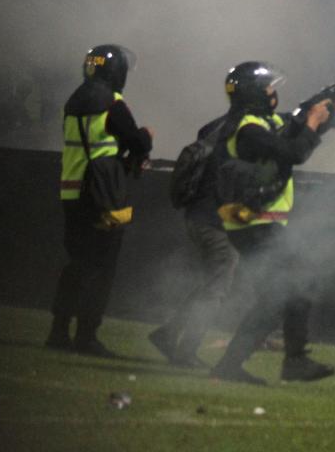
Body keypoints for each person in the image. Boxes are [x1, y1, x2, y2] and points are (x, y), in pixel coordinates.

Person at [208, 61, 335, 385]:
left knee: (279, 295)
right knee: (290, 287)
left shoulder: (259, 123)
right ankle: (292, 361)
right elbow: (295, 151)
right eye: (267, 88)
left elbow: (303, 126)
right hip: (255, 224)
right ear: (254, 92)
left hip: (258, 224)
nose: (273, 93)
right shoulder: (249, 129)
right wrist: (312, 123)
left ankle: (252, 363)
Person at [46, 44, 153, 357]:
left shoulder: (74, 100)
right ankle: (87, 336)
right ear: (116, 71)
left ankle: (58, 331)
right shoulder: (112, 101)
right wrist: (146, 134)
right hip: (103, 193)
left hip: (72, 190)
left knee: (77, 264)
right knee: (102, 267)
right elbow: (135, 140)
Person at [148, 113, 240, 368]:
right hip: (216, 222)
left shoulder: (217, 127)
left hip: (199, 217)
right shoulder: (245, 130)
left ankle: (167, 334)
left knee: (209, 285)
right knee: (215, 290)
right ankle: (186, 351)